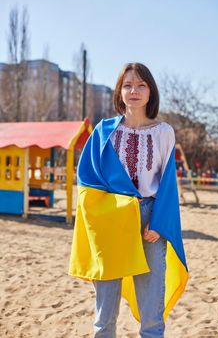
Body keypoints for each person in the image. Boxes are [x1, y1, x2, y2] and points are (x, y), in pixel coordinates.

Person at [69, 63, 188, 338]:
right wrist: (105, 214)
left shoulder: (164, 132)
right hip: (112, 220)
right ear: (119, 92)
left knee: (152, 316)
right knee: (104, 315)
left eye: (141, 85)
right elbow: (86, 179)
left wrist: (158, 223)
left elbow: (168, 184)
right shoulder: (103, 131)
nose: (134, 91)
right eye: (128, 85)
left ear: (150, 91)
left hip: (150, 221)